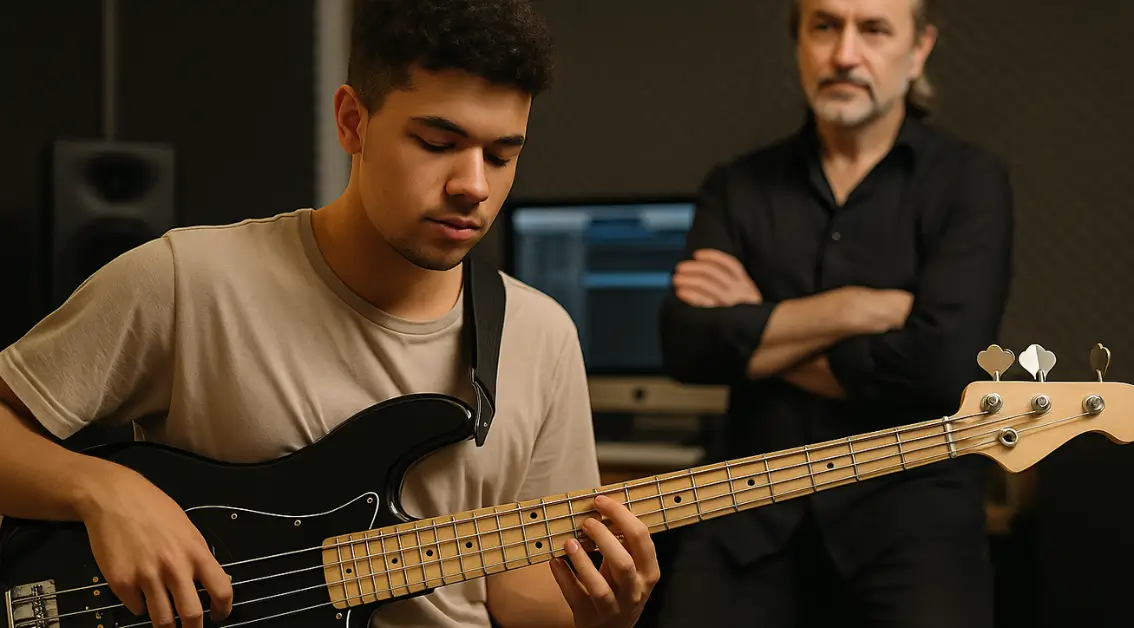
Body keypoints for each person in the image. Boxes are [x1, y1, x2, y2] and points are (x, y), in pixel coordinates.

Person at [0, 1, 660, 627]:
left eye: (501, 155)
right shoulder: (185, 280)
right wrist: (102, 491)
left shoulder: (540, 334)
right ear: (352, 121)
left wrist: (605, 614)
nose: (474, 186)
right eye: (436, 141)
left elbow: (511, 594)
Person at [654, 0, 1013, 626]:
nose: (845, 54)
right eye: (825, 26)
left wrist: (760, 324)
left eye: (874, 29)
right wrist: (858, 309)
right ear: (799, 42)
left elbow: (942, 367)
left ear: (919, 48)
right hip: (747, 512)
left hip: (913, 519)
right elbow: (688, 346)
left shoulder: (970, 182)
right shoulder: (736, 186)